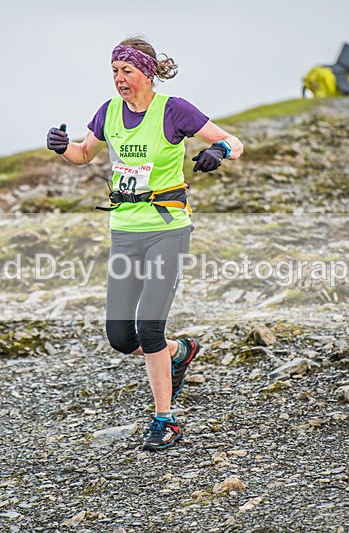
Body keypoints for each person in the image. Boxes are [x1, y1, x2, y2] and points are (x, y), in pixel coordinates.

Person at [46, 36, 243, 451]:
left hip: (167, 228)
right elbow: (84, 154)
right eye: (115, 72)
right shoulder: (109, 113)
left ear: (147, 73)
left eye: (127, 71)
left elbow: (234, 142)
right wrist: (64, 148)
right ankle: (179, 353)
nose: (119, 79)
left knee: (149, 327)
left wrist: (218, 151)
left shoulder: (174, 110)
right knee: (121, 336)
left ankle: (165, 420)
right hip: (125, 231)